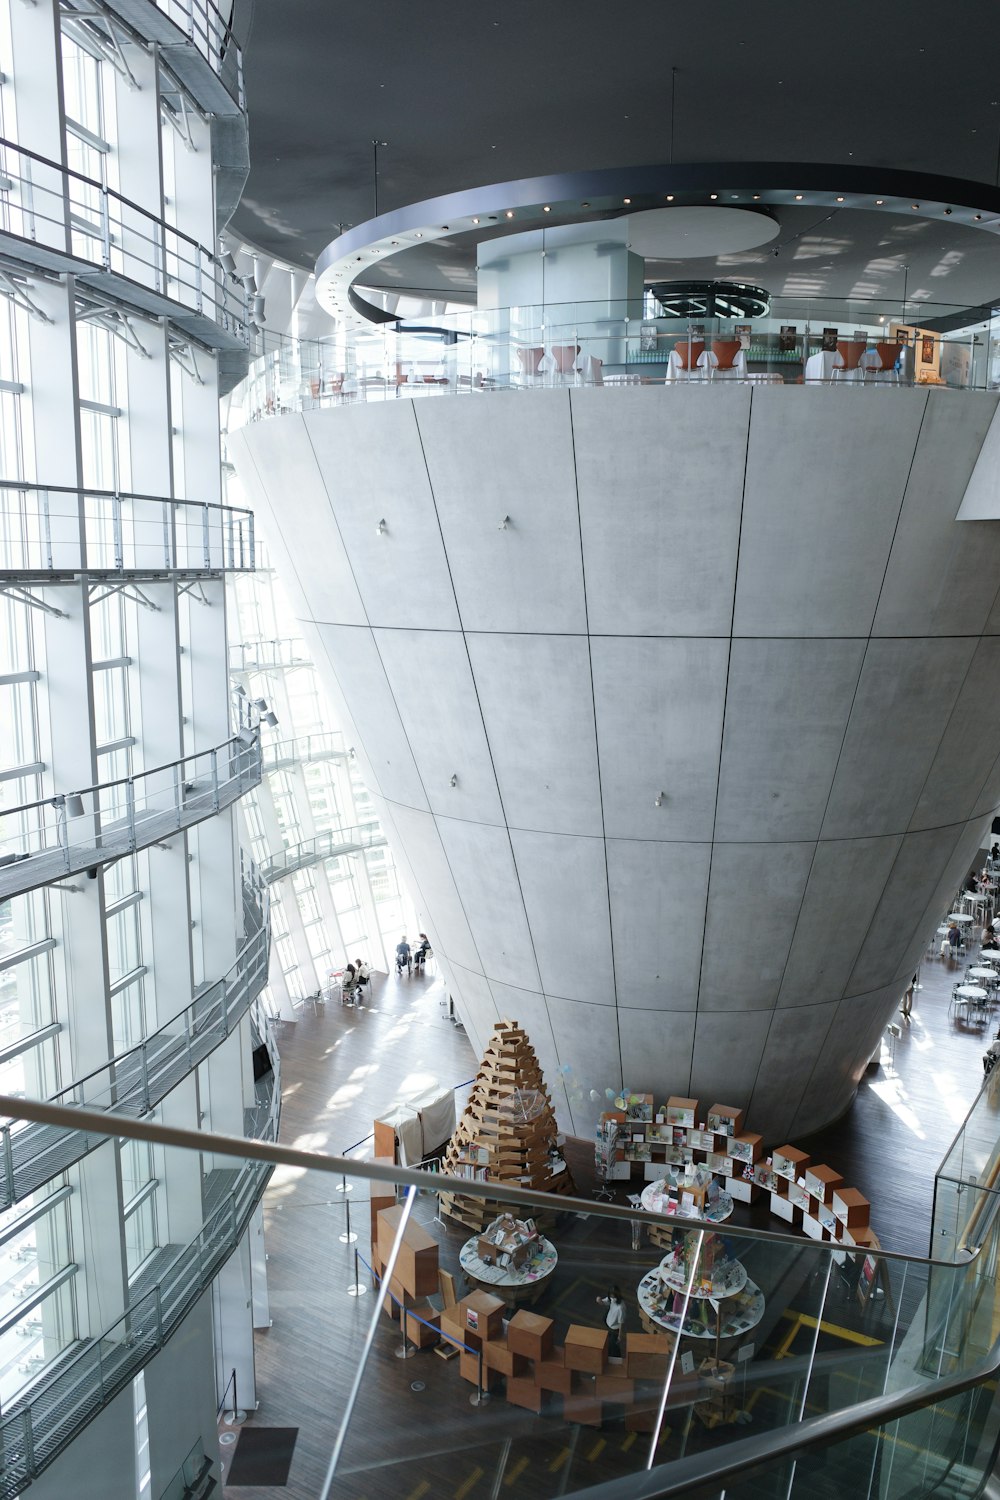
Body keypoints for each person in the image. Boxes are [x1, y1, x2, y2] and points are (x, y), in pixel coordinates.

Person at [596, 1286, 625, 1358]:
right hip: (610, 1323)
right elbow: (605, 1302)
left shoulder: (621, 1307)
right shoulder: (612, 1299)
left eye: (612, 1297)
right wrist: (600, 1301)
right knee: (611, 1343)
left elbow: (621, 1322)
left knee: (614, 1346)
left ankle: (616, 1358)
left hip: (615, 1328)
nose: (611, 1298)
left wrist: (619, 1335)